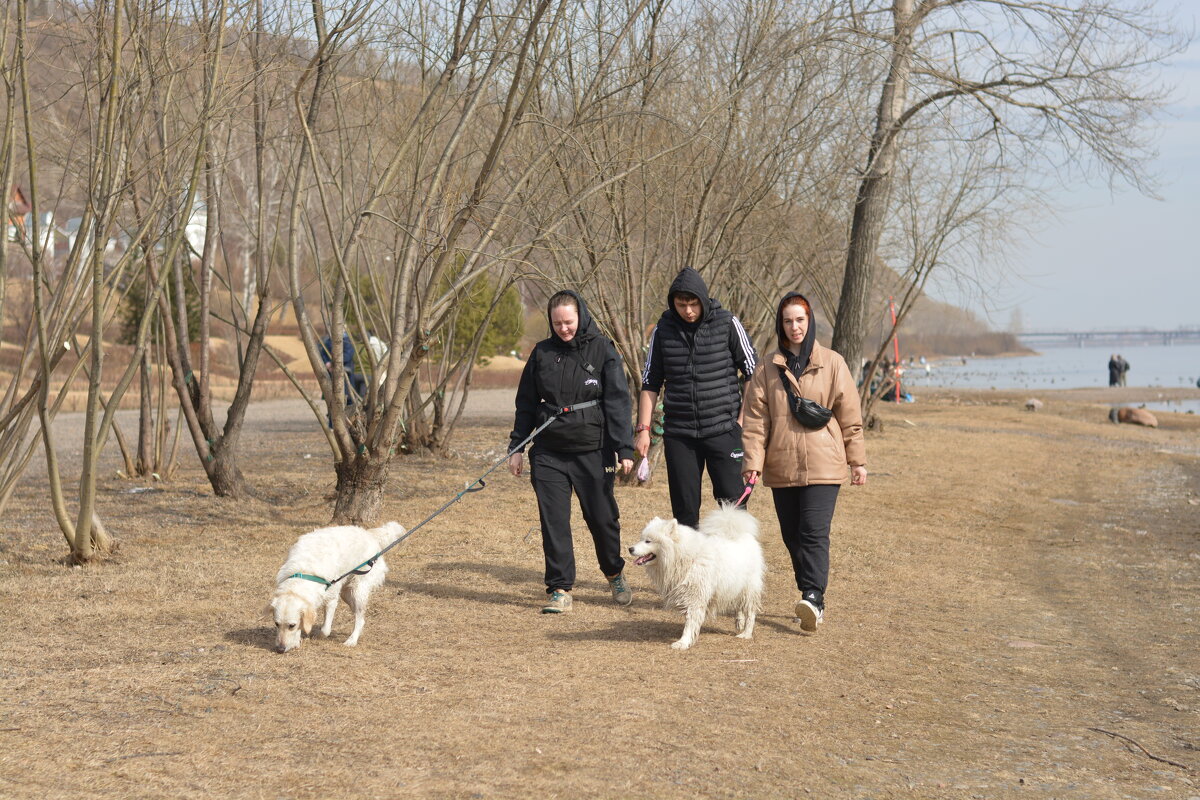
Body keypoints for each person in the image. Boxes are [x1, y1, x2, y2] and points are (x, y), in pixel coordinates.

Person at [740, 292, 867, 633]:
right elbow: (755, 421)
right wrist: (752, 462)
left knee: (813, 532)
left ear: (809, 322)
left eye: (800, 319)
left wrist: (857, 461)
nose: (794, 326)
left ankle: (813, 597)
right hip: (781, 466)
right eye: (787, 320)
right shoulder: (766, 367)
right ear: (780, 325)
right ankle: (809, 593)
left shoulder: (833, 363)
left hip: (824, 463)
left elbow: (850, 416)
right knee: (791, 535)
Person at [508, 290, 636, 614]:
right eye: (557, 323)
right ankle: (560, 588)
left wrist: (623, 448)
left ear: (580, 317)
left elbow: (618, 402)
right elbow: (525, 404)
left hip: (594, 450)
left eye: (569, 322)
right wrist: (518, 447)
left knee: (602, 519)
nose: (564, 328)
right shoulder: (541, 354)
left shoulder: (603, 349)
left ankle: (614, 572)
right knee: (554, 522)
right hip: (549, 453)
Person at [634, 267, 757, 528]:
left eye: (693, 304)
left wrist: (742, 422)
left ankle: (737, 567)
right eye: (681, 305)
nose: (688, 311)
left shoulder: (727, 323)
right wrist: (643, 429)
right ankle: (691, 567)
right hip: (680, 435)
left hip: (724, 430)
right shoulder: (663, 330)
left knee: (733, 507)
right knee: (684, 512)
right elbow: (650, 383)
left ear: (702, 299)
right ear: (673, 303)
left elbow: (753, 373)